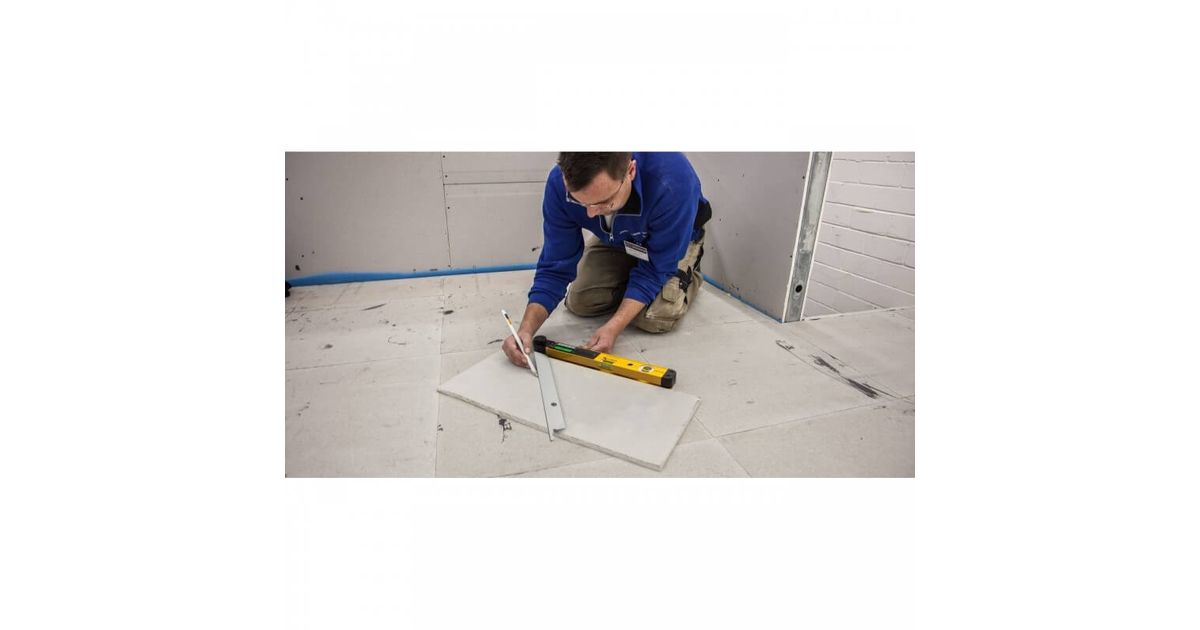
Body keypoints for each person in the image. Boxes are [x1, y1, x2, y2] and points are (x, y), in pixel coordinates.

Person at [502, 152, 712, 369]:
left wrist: (613, 327)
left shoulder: (672, 182)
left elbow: (655, 269)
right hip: (620, 238)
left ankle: (689, 267)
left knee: (655, 317)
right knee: (582, 302)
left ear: (630, 171)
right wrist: (526, 329)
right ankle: (630, 276)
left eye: (603, 202)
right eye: (579, 202)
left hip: (672, 242)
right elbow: (556, 264)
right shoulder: (560, 182)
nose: (591, 214)